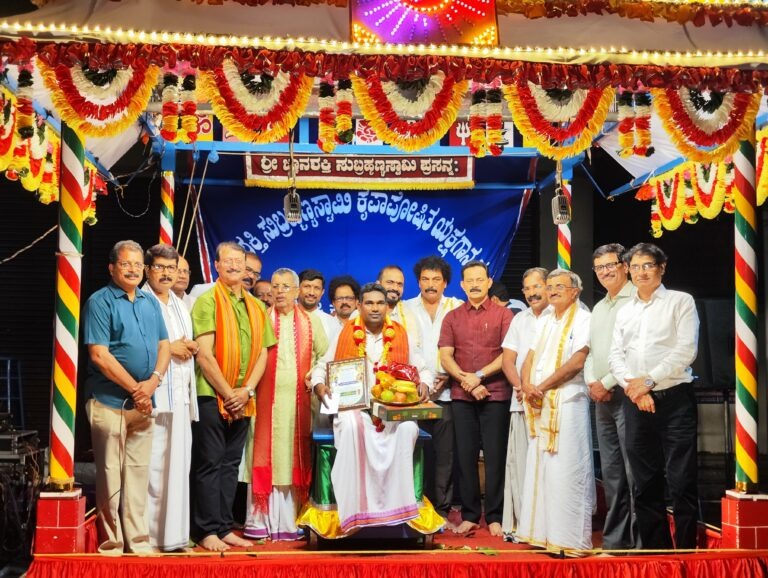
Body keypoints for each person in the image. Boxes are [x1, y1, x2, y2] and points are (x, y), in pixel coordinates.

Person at [309, 283, 433, 536]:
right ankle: (356, 508)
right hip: (354, 407)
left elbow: (423, 368)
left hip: (391, 408)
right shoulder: (345, 333)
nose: (375, 308)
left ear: (387, 307)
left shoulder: (401, 334)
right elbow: (322, 367)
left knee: (407, 428)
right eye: (369, 303)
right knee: (352, 427)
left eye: (380, 303)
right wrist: (320, 387)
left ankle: (398, 509)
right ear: (359, 305)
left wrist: (425, 384)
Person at [609, 243, 699, 550]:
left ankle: (686, 552)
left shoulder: (680, 301)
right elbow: (615, 357)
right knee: (644, 481)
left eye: (647, 265)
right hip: (636, 402)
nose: (641, 272)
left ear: (662, 267)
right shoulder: (625, 310)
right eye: (635, 267)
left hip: (675, 399)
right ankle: (655, 551)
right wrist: (635, 390)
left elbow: (685, 350)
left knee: (681, 479)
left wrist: (648, 381)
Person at [83, 240, 170, 555]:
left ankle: (139, 542)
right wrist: (137, 389)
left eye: (137, 264)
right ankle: (111, 543)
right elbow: (99, 355)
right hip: (109, 402)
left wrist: (153, 382)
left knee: (138, 474)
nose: (133, 270)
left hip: (143, 403)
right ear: (112, 268)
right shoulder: (100, 302)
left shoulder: (149, 302)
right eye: (125, 264)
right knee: (110, 475)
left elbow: (164, 345)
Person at [190, 241, 276, 551]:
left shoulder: (256, 306)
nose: (235, 266)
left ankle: (225, 527)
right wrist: (229, 394)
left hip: (244, 397)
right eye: (228, 261)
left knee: (230, 465)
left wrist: (247, 390)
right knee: (209, 463)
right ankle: (206, 530)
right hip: (212, 395)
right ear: (216, 265)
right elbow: (204, 354)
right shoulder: (207, 301)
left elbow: (264, 353)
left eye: (240, 262)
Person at [243, 268, 328, 541]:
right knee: (263, 453)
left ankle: (289, 522)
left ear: (296, 291)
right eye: (275, 286)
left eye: (285, 287)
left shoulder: (311, 322)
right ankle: (259, 521)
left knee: (292, 455)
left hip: (298, 404)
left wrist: (313, 373)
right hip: (263, 403)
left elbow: (325, 356)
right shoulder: (260, 318)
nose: (279, 291)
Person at [518, 269, 594, 552]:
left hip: (568, 402)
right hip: (540, 402)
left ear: (575, 291)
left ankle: (568, 540)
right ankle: (541, 535)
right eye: (549, 286)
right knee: (541, 469)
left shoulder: (584, 318)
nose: (552, 291)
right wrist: (527, 385)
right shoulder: (546, 318)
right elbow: (529, 357)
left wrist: (541, 386)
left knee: (566, 470)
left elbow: (577, 362)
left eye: (559, 286)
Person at [439, 260, 513, 537]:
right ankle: (470, 514)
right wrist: (468, 382)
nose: (474, 285)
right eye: (469, 280)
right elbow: (446, 356)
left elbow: (508, 355)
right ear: (461, 285)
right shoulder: (452, 317)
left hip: (496, 395)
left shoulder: (504, 315)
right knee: (464, 456)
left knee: (496, 456)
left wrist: (479, 376)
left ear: (489, 282)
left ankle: (495, 515)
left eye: (479, 279)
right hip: (462, 395)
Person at [142, 244, 199, 552]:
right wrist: (169, 348)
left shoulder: (179, 303)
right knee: (153, 469)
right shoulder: (141, 300)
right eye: (160, 267)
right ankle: (148, 538)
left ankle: (174, 537)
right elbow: (134, 345)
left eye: (171, 268)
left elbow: (184, 342)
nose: (166, 274)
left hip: (180, 397)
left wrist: (190, 346)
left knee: (179, 468)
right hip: (153, 397)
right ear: (147, 269)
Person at [586, 244, 637, 550]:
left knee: (634, 471)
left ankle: (639, 539)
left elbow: (633, 352)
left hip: (628, 394)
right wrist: (593, 382)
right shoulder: (600, 307)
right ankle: (616, 540)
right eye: (599, 267)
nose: (605, 272)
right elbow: (591, 350)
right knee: (612, 472)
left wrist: (605, 382)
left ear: (625, 266)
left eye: (610, 265)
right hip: (602, 399)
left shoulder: (637, 300)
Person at [404, 256, 462, 523]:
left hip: (448, 393)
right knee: (412, 451)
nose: (430, 284)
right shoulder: (404, 309)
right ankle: (411, 506)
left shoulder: (457, 308)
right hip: (411, 395)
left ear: (445, 282)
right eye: (425, 279)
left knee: (444, 455)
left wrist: (449, 376)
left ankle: (440, 510)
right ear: (418, 282)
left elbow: (466, 348)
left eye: (436, 279)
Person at [499, 267, 548, 541]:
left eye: (536, 286)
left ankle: (548, 524)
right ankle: (522, 524)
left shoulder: (562, 316)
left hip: (551, 403)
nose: (531, 293)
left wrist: (536, 388)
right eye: (527, 288)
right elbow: (508, 360)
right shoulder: (520, 319)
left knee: (548, 466)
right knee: (521, 466)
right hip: (521, 402)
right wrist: (520, 386)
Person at [378, 265, 421, 348]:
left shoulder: (411, 314)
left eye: (399, 284)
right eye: (390, 282)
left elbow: (416, 350)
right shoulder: (361, 314)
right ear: (378, 284)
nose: (395, 288)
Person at [298, 268, 338, 341]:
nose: (311, 293)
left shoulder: (332, 323)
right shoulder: (284, 319)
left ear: (322, 292)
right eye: (307, 287)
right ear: (297, 289)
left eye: (317, 288)